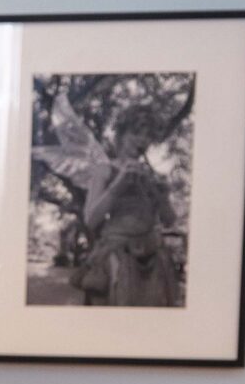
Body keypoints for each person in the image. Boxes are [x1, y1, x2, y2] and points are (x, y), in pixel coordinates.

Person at [76, 115, 180, 307]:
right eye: (136, 132)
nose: (143, 140)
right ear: (121, 135)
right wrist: (117, 186)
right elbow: (91, 220)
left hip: (154, 257)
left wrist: (161, 196)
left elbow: (169, 220)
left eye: (148, 135)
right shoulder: (105, 169)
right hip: (118, 256)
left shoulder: (153, 175)